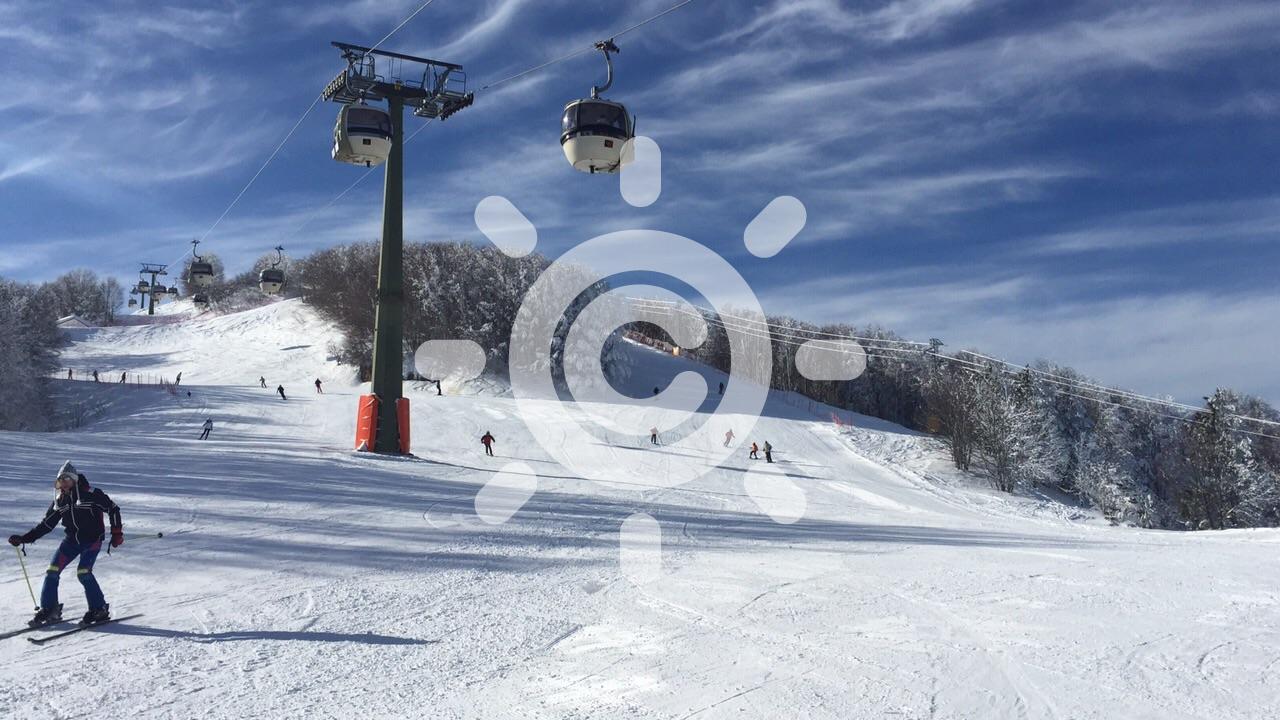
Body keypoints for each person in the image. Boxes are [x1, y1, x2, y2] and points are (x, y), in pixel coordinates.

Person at [7, 461, 123, 627]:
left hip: (92, 541)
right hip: (71, 542)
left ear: (75, 479)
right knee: (52, 571)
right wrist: (24, 538)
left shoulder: (90, 494)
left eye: (67, 479)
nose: (64, 483)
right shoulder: (61, 501)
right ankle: (50, 609)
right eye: (61, 480)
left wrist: (117, 533)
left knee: (83, 572)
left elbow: (113, 509)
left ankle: (99, 609)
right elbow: (46, 525)